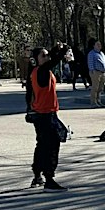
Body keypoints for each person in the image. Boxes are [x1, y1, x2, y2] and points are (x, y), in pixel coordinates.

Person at [25, 45, 65, 190]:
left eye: (47, 55)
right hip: (45, 114)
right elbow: (53, 62)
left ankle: (37, 175)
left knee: (42, 144)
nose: (47, 57)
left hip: (44, 113)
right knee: (52, 145)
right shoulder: (40, 71)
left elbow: (29, 94)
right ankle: (49, 178)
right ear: (35, 60)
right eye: (44, 55)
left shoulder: (39, 72)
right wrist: (60, 51)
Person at [87, 36, 105, 106]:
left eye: (100, 44)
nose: (99, 46)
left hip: (102, 73)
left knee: (100, 88)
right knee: (95, 88)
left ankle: (98, 101)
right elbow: (90, 63)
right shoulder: (91, 53)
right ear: (93, 45)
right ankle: (93, 102)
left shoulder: (101, 53)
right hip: (96, 72)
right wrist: (92, 71)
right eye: (97, 44)